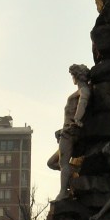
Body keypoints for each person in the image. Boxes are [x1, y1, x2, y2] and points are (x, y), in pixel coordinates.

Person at [47, 64, 91, 200]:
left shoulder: (83, 90)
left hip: (70, 131)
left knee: (63, 163)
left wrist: (77, 119)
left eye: (73, 75)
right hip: (66, 130)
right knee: (51, 163)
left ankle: (63, 192)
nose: (72, 77)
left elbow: (82, 103)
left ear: (77, 76)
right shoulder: (80, 91)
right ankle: (76, 174)